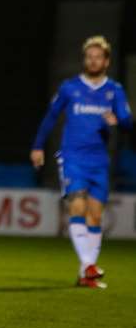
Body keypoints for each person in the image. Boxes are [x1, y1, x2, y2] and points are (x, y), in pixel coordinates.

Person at [30, 36, 132, 289]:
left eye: (98, 56)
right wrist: (37, 146)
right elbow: (51, 116)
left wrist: (117, 121)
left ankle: (86, 275)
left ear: (106, 61)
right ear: (84, 59)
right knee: (77, 207)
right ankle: (88, 265)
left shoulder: (114, 90)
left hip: (99, 160)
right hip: (73, 157)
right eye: (89, 56)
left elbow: (128, 122)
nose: (93, 60)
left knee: (95, 217)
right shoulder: (70, 87)